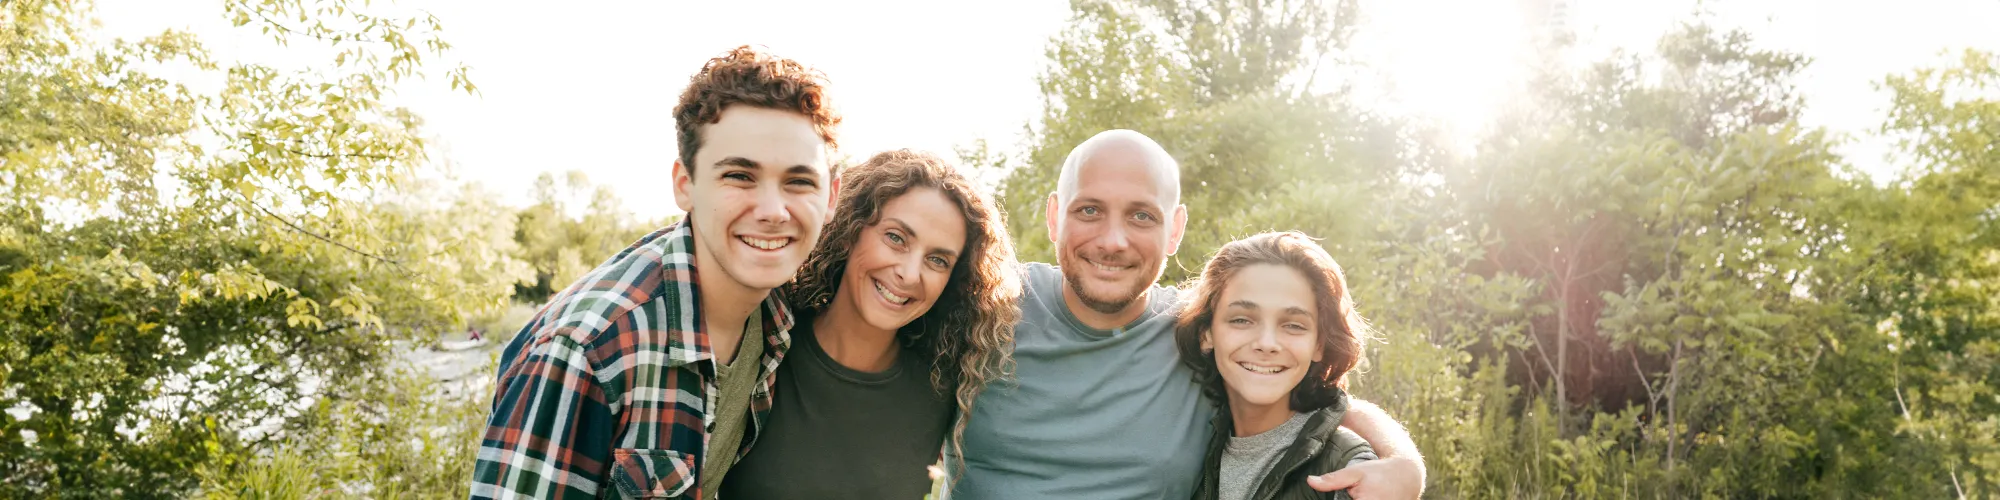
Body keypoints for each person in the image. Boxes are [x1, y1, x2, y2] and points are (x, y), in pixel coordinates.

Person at [952, 130, 1425, 499]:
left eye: (1142, 216)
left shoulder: (1196, 333)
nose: (1113, 240)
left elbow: (1317, 400)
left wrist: (1405, 463)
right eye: (1090, 210)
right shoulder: (984, 306)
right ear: (1055, 217)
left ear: (1175, 229)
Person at [470, 45, 841, 499]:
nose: (772, 211)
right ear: (685, 185)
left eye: (799, 181)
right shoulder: (587, 349)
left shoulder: (777, 317)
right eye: (740, 176)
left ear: (832, 196)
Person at [720, 149, 1020, 499]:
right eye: (895, 238)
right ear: (851, 230)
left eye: (937, 260)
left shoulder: (944, 386)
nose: (909, 274)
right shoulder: (763, 339)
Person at [1177, 232, 1377, 500]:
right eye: (1242, 320)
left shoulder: (1351, 471)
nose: (1267, 343)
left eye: (1293, 325)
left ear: (1319, 345)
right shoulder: (1188, 452)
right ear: (1207, 333)